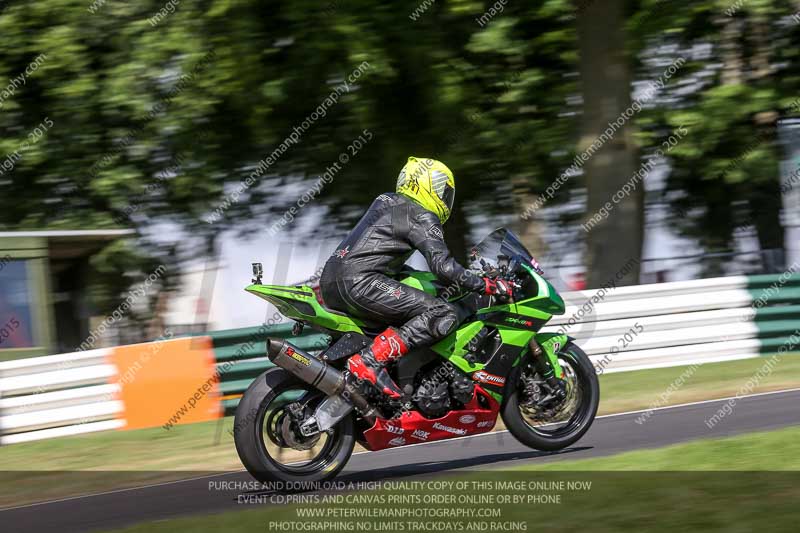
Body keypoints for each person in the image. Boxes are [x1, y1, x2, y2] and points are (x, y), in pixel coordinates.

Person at [319, 156, 510, 399]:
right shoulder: (421, 214)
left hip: (331, 280)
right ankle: (369, 361)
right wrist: (485, 284)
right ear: (429, 185)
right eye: (443, 190)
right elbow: (444, 267)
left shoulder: (387, 200)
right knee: (443, 313)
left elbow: (379, 251)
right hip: (361, 282)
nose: (444, 197)